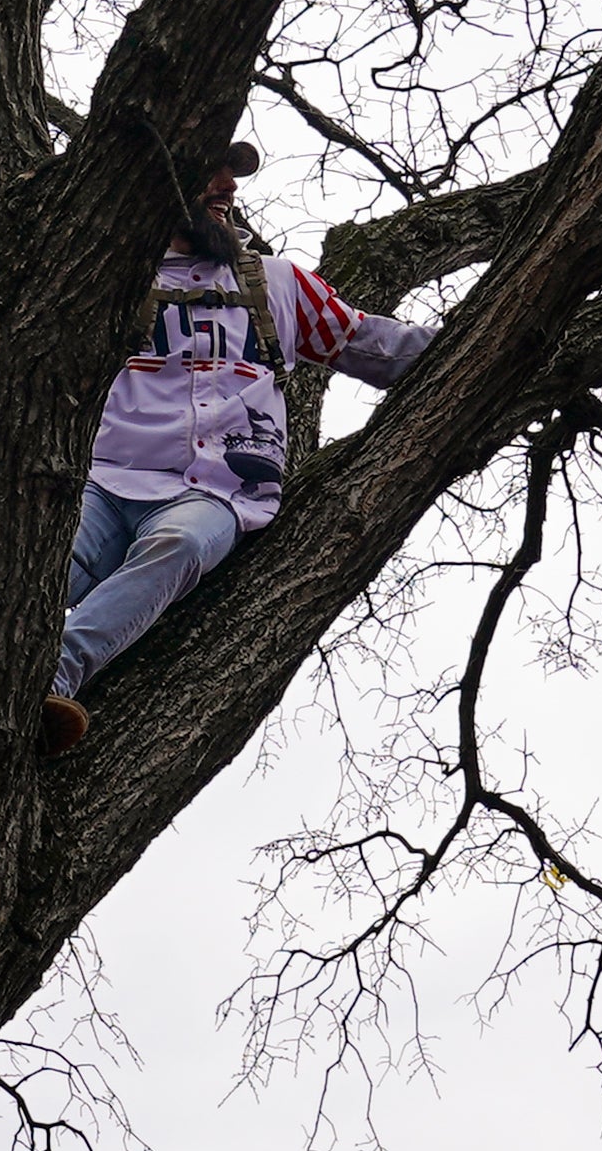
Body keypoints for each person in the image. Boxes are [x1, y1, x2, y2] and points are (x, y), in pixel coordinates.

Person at [40, 144, 432, 752]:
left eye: (233, 174)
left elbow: (375, 346)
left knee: (181, 544)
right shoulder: (107, 279)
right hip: (105, 481)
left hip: (216, 493)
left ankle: (55, 675)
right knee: (38, 571)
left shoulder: (275, 283)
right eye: (211, 170)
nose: (228, 187)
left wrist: (507, 324)